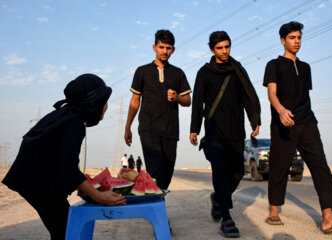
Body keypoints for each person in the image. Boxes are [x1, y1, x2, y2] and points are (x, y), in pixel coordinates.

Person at [2, 74, 126, 240]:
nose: (106, 106)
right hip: (36, 180)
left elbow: (63, 159)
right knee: (65, 229)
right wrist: (99, 196)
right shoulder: (75, 122)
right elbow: (68, 166)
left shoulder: (67, 114)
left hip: (34, 176)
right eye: (104, 100)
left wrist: (83, 187)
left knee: (62, 226)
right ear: (94, 102)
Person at [263, 21, 332, 234]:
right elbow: (272, 94)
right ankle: (274, 211)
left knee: (320, 166)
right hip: (283, 124)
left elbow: (303, 95)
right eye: (292, 38)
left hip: (307, 122)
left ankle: (328, 217)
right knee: (279, 167)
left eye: (299, 38)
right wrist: (280, 110)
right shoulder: (273, 65)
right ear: (282, 41)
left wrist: (305, 117)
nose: (296, 41)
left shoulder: (305, 67)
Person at [190, 31, 261, 238]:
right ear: (212, 50)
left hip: (236, 130)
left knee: (238, 172)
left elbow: (249, 95)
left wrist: (254, 118)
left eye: (227, 47)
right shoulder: (204, 72)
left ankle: (218, 199)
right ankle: (227, 218)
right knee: (220, 171)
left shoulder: (238, 69)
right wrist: (194, 128)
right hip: (214, 131)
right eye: (220, 48)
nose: (224, 51)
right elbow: (198, 102)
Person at [124, 29, 191, 190]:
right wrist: (128, 127)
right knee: (156, 171)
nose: (165, 51)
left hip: (170, 129)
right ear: (154, 47)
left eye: (168, 48)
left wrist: (177, 97)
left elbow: (187, 101)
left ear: (173, 50)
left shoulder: (178, 73)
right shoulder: (142, 71)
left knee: (167, 173)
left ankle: (156, 205)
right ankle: (158, 213)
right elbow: (135, 101)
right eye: (161, 47)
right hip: (148, 127)